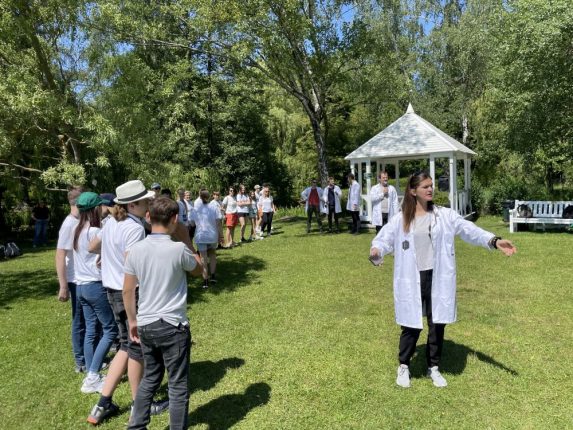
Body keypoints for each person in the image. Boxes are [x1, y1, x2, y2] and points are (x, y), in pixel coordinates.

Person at [369, 171, 517, 389]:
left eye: (431, 185)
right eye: (425, 186)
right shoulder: (401, 219)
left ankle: (434, 366)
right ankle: (404, 365)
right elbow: (384, 239)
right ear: (413, 191)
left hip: (437, 275)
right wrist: (376, 250)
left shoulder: (444, 215)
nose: (430, 189)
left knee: (437, 322)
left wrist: (494, 241)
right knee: (411, 325)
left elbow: (469, 230)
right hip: (412, 276)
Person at [86, 180, 166, 425]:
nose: (149, 204)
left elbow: (92, 246)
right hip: (130, 293)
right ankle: (139, 404)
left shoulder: (112, 222)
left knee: (125, 345)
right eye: (145, 201)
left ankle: (102, 403)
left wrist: (108, 255)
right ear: (132, 205)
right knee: (137, 349)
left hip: (112, 291)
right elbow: (133, 266)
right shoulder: (134, 228)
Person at [124, 197, 203, 430]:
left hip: (146, 324)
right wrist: (186, 239)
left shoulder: (135, 250)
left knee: (150, 377)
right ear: (175, 219)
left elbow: (127, 289)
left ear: (148, 217)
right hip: (173, 325)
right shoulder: (178, 249)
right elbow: (200, 271)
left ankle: (136, 426)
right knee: (177, 385)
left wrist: (132, 321)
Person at [73, 192, 118, 394]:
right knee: (110, 330)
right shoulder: (94, 232)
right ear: (94, 209)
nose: (103, 209)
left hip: (81, 287)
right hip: (95, 286)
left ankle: (92, 373)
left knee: (91, 330)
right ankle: (92, 376)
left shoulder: (77, 230)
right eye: (100, 207)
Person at [56, 187, 86, 373]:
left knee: (85, 320)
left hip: (82, 277)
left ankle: (86, 356)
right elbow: (60, 255)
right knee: (79, 320)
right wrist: (63, 286)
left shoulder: (79, 221)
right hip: (74, 279)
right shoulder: (69, 224)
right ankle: (80, 360)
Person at [191, 189, 223, 288]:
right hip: (212, 235)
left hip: (201, 236)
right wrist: (221, 236)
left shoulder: (195, 208)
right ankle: (213, 276)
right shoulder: (214, 207)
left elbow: (192, 223)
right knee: (212, 255)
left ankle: (205, 281)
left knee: (203, 258)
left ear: (200, 197)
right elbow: (218, 223)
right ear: (209, 197)